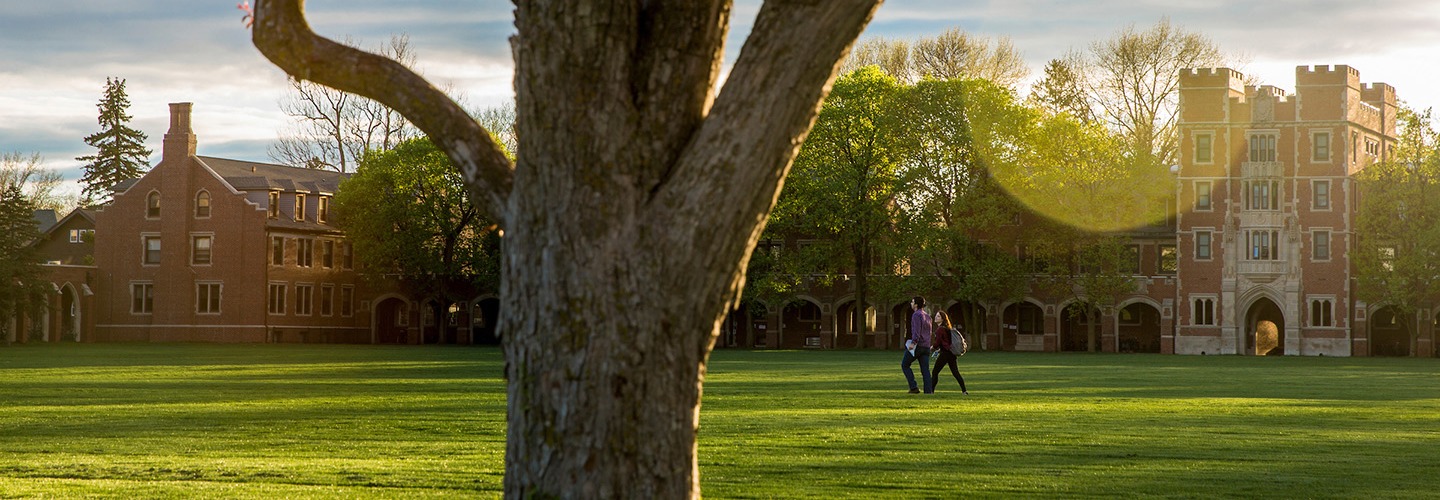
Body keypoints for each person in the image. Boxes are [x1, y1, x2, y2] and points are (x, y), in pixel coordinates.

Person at [928, 310, 968, 395]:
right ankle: (964, 391)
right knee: (955, 373)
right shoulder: (947, 328)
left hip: (945, 354)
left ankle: (931, 391)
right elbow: (946, 342)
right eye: (936, 315)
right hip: (951, 353)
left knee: (935, 372)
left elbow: (938, 342)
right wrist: (939, 349)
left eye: (938, 316)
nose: (936, 317)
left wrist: (932, 348)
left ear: (942, 319)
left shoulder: (940, 329)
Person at [902, 296, 932, 394]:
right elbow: (929, 332)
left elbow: (916, 332)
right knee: (925, 370)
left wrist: (913, 344)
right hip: (926, 346)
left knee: (905, 365)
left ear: (916, 304)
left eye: (912, 302)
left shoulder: (916, 315)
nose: (911, 303)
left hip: (917, 345)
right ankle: (928, 391)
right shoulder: (927, 316)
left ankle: (913, 387)